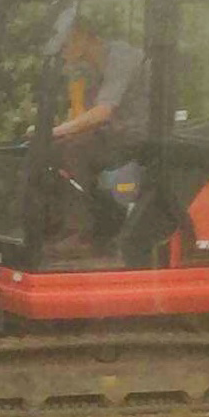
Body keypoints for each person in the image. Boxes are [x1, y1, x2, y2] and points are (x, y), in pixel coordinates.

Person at [43, 20, 149, 257]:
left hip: (138, 135)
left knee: (74, 151)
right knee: (52, 150)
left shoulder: (122, 59)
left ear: (82, 36)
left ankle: (80, 235)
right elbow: (84, 116)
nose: (62, 51)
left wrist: (55, 131)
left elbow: (102, 113)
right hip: (112, 134)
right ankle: (60, 227)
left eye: (65, 44)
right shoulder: (90, 67)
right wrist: (55, 131)